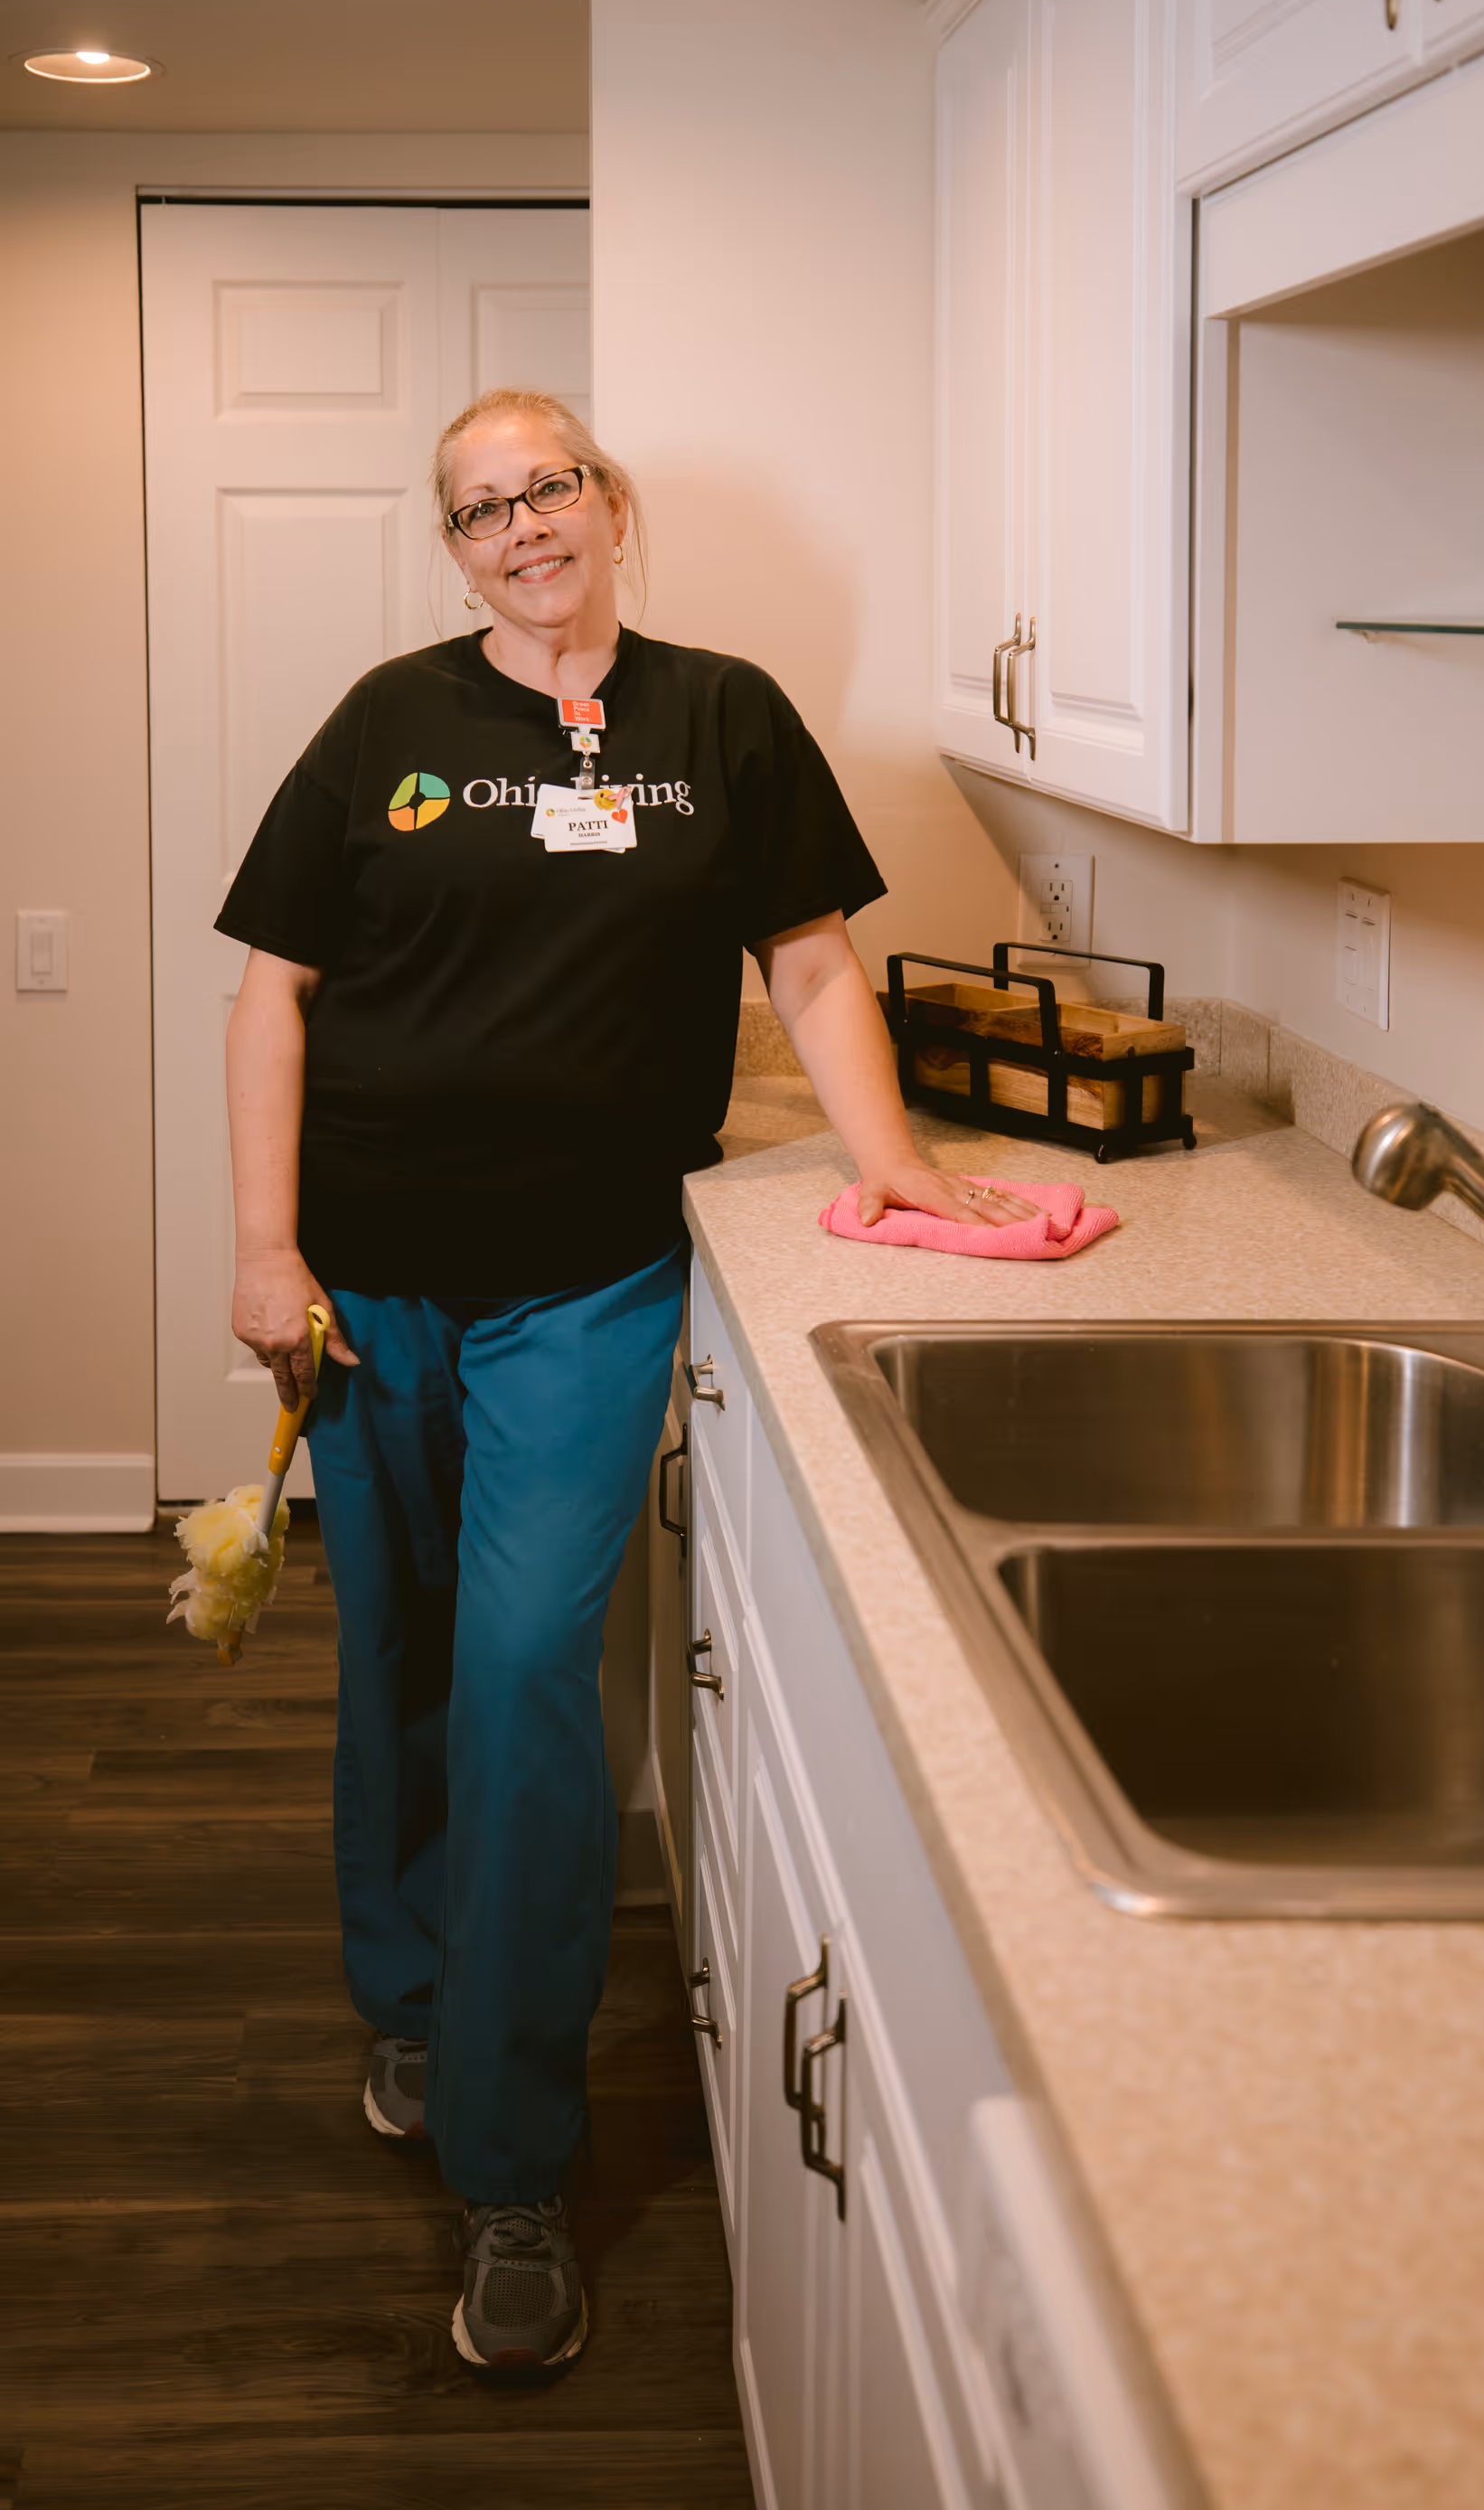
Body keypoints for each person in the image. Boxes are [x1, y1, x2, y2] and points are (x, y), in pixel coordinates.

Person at [218, 385, 1026, 2372]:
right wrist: (262, 1245)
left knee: (518, 1679)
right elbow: (276, 986)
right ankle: (407, 1997)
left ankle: (515, 2159)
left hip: (584, 1281)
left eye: (544, 489)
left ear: (611, 501)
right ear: (457, 547)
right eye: (477, 511)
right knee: (399, 1657)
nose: (517, 530)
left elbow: (813, 963)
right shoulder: (389, 723)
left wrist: (895, 1164)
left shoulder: (720, 718)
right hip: (376, 1277)